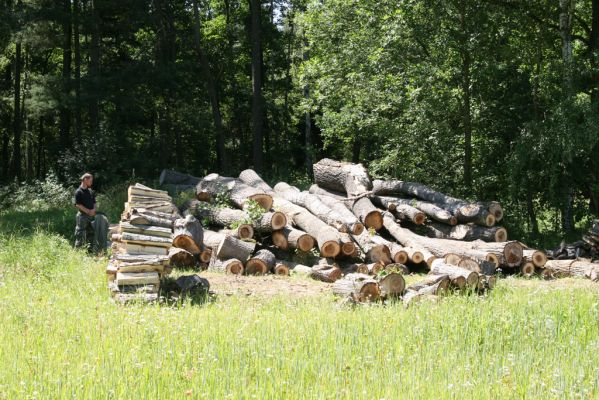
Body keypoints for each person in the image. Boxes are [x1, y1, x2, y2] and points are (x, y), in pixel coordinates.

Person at [74, 173, 96, 249]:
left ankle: (89, 251)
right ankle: (79, 252)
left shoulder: (90, 191)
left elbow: (94, 202)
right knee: (80, 234)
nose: (91, 182)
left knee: (91, 233)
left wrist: (93, 210)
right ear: (85, 180)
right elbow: (78, 204)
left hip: (91, 216)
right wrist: (88, 211)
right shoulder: (78, 192)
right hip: (82, 216)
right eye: (90, 180)